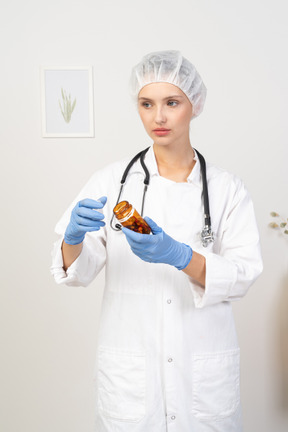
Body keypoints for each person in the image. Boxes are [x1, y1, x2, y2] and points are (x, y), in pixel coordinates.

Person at [51, 50, 263, 432]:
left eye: (172, 103)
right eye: (147, 104)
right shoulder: (111, 182)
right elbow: (76, 273)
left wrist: (181, 256)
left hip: (202, 374)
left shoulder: (227, 189)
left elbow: (244, 274)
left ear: (194, 105)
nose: (158, 117)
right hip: (132, 376)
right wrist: (73, 237)